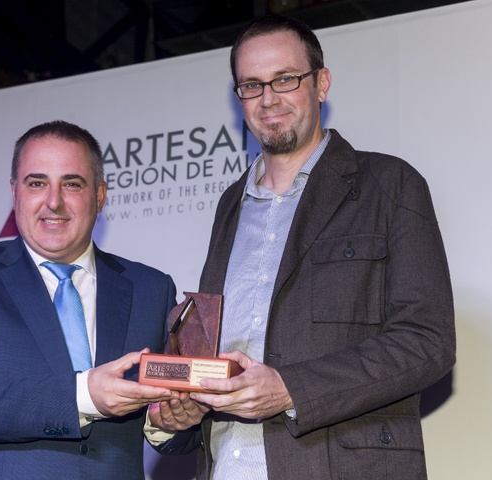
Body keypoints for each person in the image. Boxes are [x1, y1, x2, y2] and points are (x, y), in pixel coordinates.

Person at [147, 14, 456, 480]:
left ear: (321, 83)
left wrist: (292, 389)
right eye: (251, 85)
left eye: (285, 79)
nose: (268, 99)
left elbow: (427, 341)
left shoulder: (389, 185)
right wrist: (184, 408)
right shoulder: (230, 205)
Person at [0, 120, 177, 479]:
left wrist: (172, 422)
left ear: (100, 196)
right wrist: (85, 395)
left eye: (72, 184)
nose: (53, 202)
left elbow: (176, 430)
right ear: (14, 192)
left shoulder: (152, 288)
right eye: (37, 183)